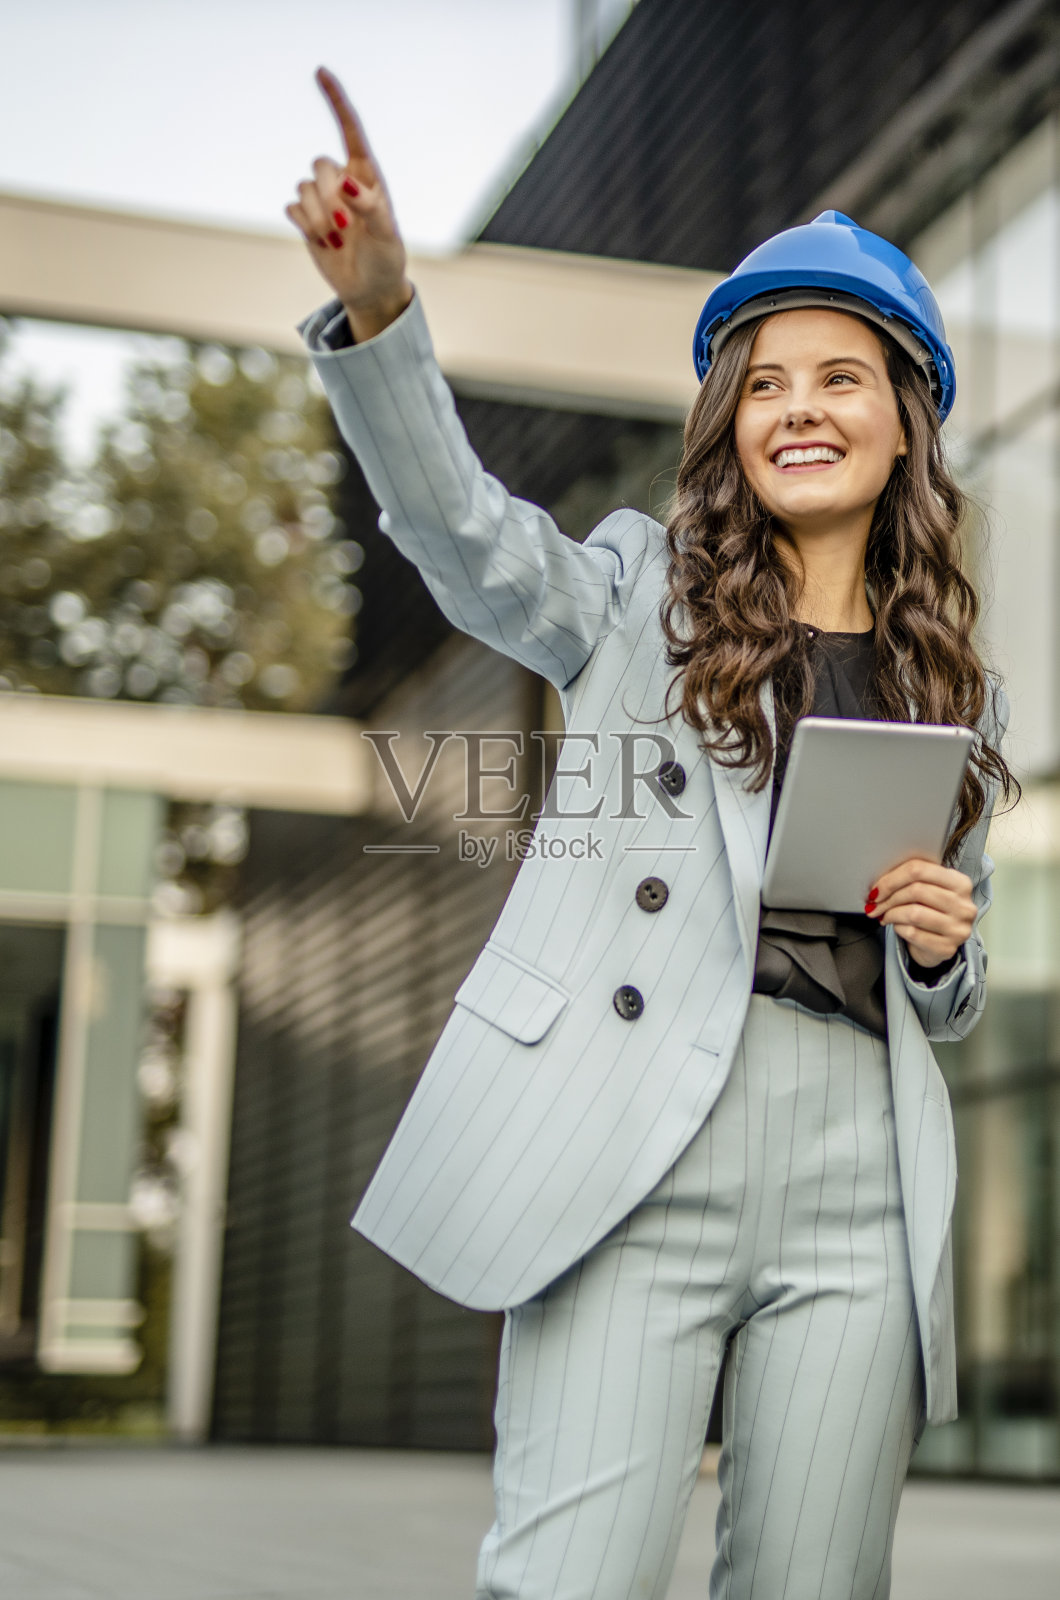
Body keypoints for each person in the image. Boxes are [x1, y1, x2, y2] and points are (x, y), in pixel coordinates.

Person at [286, 67, 1016, 1600]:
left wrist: (946, 947)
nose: (800, 406)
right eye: (763, 381)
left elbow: (946, 975)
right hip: (636, 1136)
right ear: (726, 421)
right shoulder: (634, 598)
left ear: (908, 420)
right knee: (570, 1579)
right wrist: (382, 319)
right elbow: (470, 543)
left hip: (860, 1165)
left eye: (841, 376)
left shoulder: (952, 676)